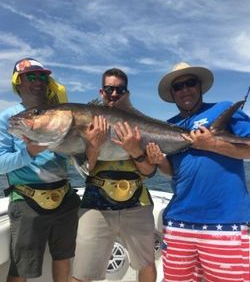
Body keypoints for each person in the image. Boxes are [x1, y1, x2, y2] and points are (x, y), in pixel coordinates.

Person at [146, 62, 250, 282]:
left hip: (225, 223)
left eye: (190, 83)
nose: (185, 89)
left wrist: (212, 145)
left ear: (200, 86)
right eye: (178, 86)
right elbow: (174, 171)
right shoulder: (169, 125)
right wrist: (159, 162)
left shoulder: (222, 109)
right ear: (172, 94)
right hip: (178, 223)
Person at [71, 68, 157, 282]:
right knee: (81, 273)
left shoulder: (138, 123)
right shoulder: (86, 121)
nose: (115, 93)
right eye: (110, 89)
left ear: (126, 93)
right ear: (101, 92)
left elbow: (150, 171)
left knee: (147, 264)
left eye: (120, 89)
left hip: (137, 201)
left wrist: (135, 150)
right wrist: (93, 146)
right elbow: (86, 171)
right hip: (96, 201)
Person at [0, 58, 81, 282]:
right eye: (31, 76)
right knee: (21, 267)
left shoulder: (59, 113)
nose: (39, 81)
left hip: (64, 196)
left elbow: (67, 153)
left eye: (43, 76)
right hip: (27, 201)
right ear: (18, 83)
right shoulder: (8, 118)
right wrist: (30, 152)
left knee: (64, 257)